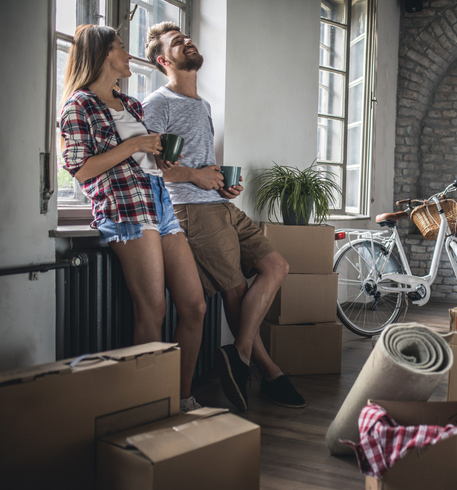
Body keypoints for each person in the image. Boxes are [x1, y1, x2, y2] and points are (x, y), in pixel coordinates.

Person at [142, 22, 305, 411]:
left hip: (217, 204)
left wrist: (219, 183)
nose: (187, 41)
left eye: (187, 36)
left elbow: (194, 163)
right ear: (165, 60)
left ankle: (241, 354)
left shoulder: (202, 104)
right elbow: (145, 166)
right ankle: (269, 373)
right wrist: (196, 177)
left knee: (276, 266)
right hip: (189, 208)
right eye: (177, 42)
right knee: (234, 291)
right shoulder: (157, 104)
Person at [60, 25, 207, 414]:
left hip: (158, 202)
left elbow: (144, 159)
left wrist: (159, 158)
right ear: (104, 55)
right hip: (124, 209)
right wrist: (133, 146)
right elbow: (80, 169)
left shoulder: (132, 105)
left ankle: (181, 398)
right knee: (153, 311)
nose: (128, 55)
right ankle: (147, 405)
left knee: (194, 306)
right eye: (121, 48)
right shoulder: (79, 105)